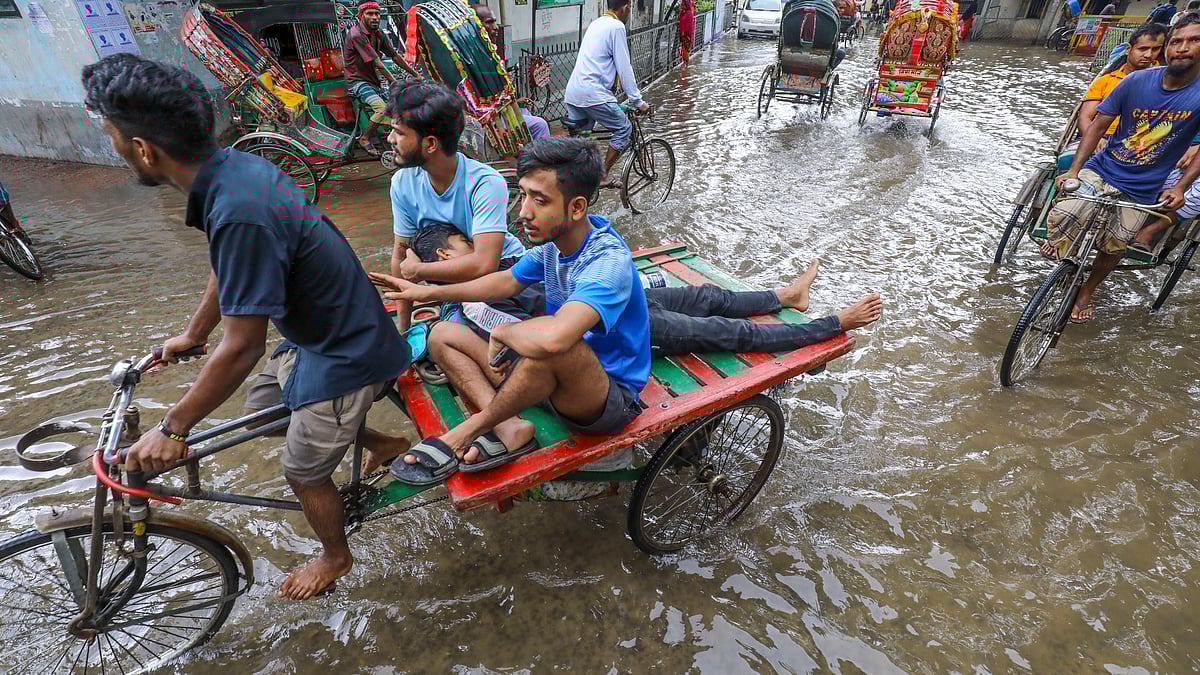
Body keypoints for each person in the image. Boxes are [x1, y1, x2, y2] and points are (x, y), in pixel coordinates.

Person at [81, 54, 412, 601]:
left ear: (142, 149)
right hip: (318, 336)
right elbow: (228, 271)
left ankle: (335, 556)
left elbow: (243, 348)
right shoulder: (229, 173)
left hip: (347, 351)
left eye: (113, 137)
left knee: (302, 472)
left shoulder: (238, 207)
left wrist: (173, 426)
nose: (115, 149)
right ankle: (387, 441)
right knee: (260, 414)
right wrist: (194, 333)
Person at [370, 138, 651, 482]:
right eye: (523, 195)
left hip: (605, 398)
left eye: (540, 200)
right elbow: (502, 282)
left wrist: (504, 332)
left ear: (577, 208)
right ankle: (509, 425)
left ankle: (464, 432)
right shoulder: (553, 247)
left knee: (555, 343)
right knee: (441, 333)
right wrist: (426, 294)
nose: (523, 212)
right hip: (550, 382)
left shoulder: (606, 261)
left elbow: (556, 339)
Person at [406, 223, 884, 358]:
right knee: (721, 330)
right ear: (449, 256)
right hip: (605, 321)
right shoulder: (473, 299)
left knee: (708, 297)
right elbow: (517, 328)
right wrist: (428, 294)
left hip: (618, 293)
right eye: (462, 242)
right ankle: (832, 324)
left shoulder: (511, 255)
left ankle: (785, 296)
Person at [1047, 15, 1200, 323]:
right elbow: (1095, 127)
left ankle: (1087, 291)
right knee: (1064, 215)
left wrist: (1180, 186)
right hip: (1102, 168)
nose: (1183, 48)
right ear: (1166, 49)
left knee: (1113, 248)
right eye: (1176, 42)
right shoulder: (1134, 81)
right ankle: (1065, 259)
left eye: (1194, 41)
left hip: (1144, 186)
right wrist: (1074, 170)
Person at [385, 79, 526, 334]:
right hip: (454, 286)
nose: (390, 138)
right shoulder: (402, 183)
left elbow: (485, 264)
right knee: (444, 339)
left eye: (399, 132)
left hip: (506, 274)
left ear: (430, 144)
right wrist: (403, 334)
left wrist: (419, 270)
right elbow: (399, 258)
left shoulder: (485, 183)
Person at [564, 0, 651, 185]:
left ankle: (579, 184)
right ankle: (602, 176)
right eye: (630, 8)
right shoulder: (616, 26)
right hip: (592, 93)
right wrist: (638, 101)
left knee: (584, 143)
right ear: (626, 7)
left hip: (573, 93)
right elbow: (624, 67)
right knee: (624, 128)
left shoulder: (596, 23)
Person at [342, 0, 419, 156]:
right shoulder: (357, 35)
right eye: (370, 14)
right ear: (361, 16)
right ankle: (365, 138)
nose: (375, 17)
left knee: (396, 108)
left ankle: (390, 137)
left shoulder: (378, 34)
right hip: (357, 82)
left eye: (377, 13)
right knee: (381, 108)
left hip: (372, 80)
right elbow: (378, 63)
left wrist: (416, 74)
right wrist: (395, 82)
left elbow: (395, 56)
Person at [469, 3, 552, 140]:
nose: (496, 27)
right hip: (489, 120)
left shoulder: (487, 52)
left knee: (525, 110)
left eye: (495, 22)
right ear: (476, 26)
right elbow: (485, 101)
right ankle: (540, 158)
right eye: (489, 23)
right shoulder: (476, 59)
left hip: (500, 112)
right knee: (540, 125)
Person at [1079, 23, 1167, 140]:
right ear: (1129, 49)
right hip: (1101, 136)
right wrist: (1094, 140)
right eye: (1143, 49)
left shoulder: (1164, 81)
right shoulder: (1105, 81)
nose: (1148, 55)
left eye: (1155, 49)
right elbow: (1085, 118)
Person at [679, 0, 697, 65]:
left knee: (685, 49)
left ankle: (686, 64)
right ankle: (685, 64)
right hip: (684, 34)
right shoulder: (685, 12)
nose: (681, 5)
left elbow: (688, 25)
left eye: (683, 4)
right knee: (684, 49)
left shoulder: (688, 13)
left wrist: (684, 32)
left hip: (686, 34)